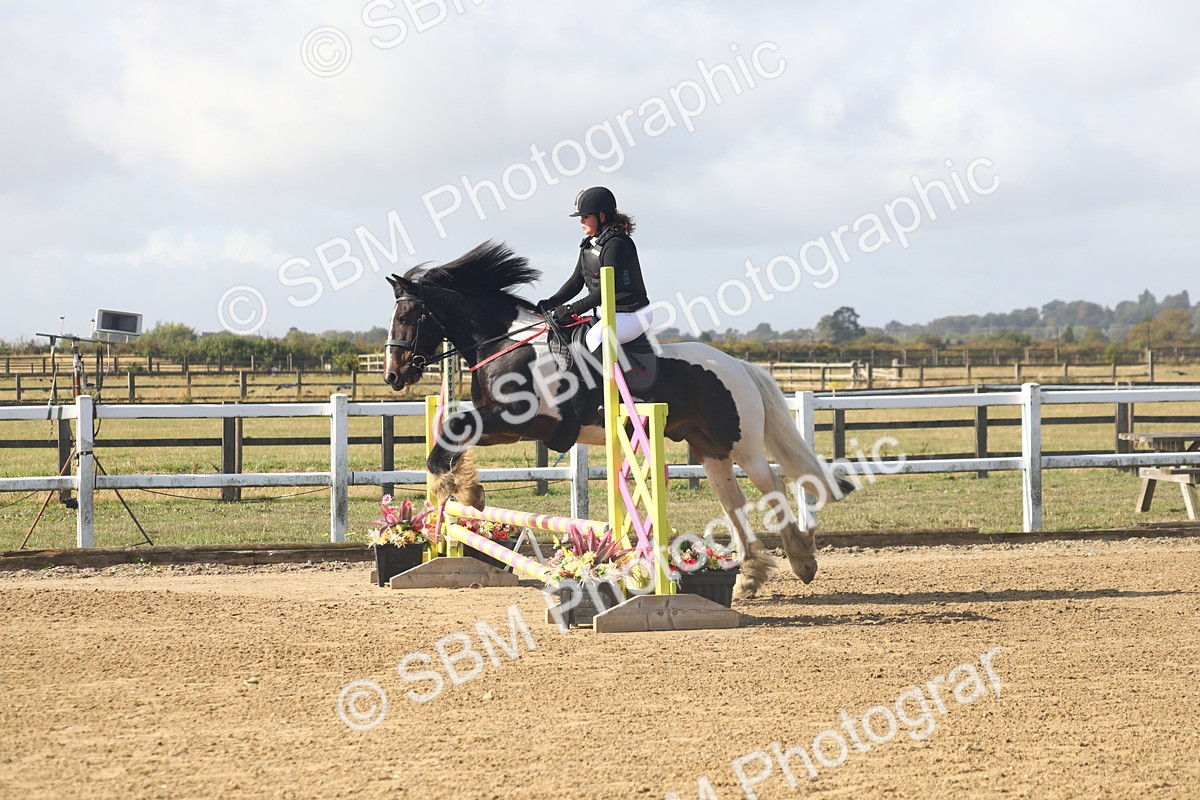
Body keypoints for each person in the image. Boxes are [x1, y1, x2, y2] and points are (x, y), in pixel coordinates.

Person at [536, 187, 651, 352]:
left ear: (602, 216)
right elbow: (576, 281)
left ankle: (608, 379)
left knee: (594, 337)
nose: (581, 222)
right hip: (605, 313)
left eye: (585, 217)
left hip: (632, 314)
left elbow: (606, 291)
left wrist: (571, 309)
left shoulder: (616, 244)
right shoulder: (589, 245)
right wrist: (551, 303)